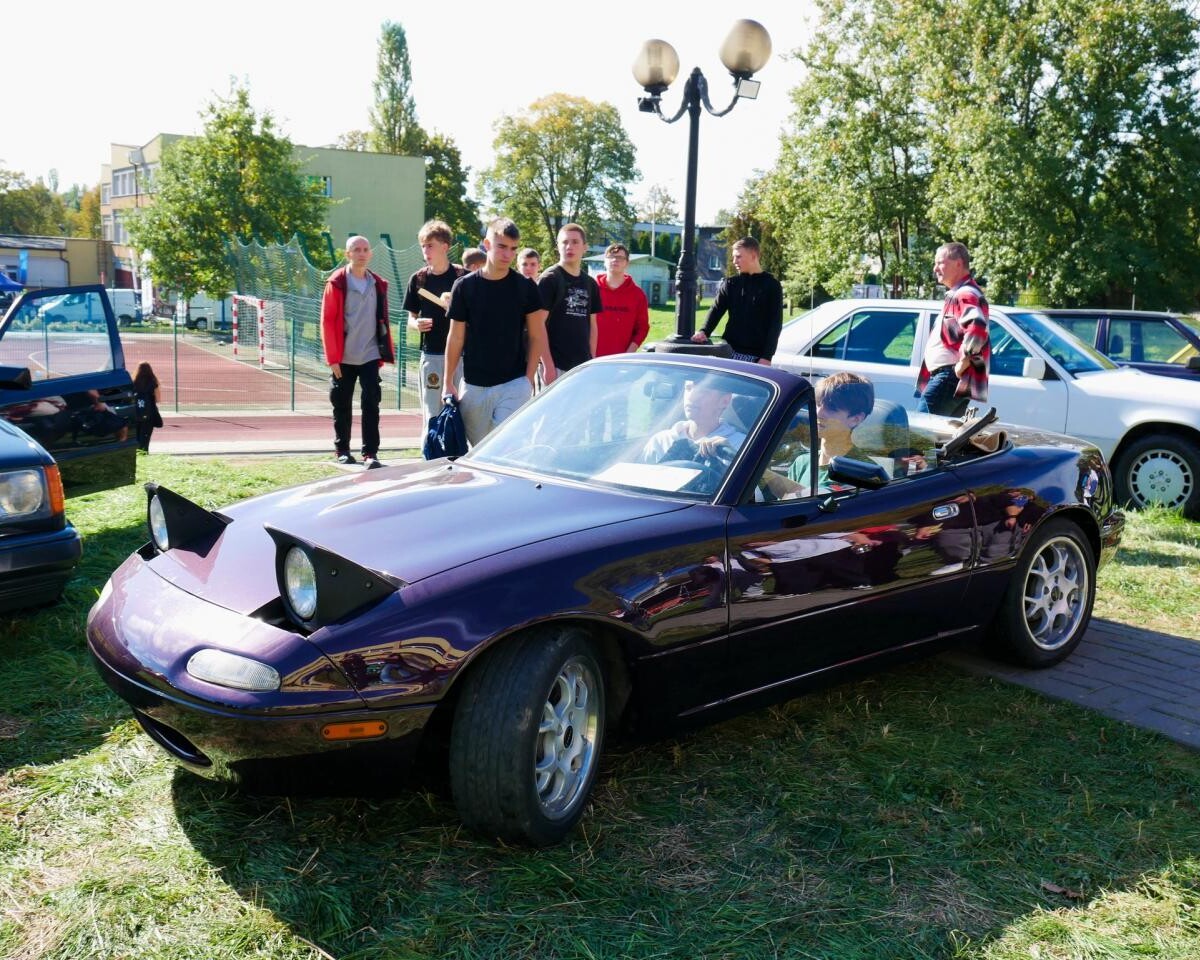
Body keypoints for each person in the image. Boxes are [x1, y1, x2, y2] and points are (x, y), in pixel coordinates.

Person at [443, 218, 549, 445]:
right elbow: (456, 337)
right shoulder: (464, 286)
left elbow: (537, 335)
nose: (507, 254)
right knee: (479, 448)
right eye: (502, 246)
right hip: (474, 384)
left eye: (513, 249)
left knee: (504, 446)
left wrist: (528, 380)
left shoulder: (526, 287)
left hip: (514, 383)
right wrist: (447, 381)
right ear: (487, 244)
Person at [320, 235, 396, 468]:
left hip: (370, 354)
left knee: (371, 403)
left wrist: (383, 351)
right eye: (356, 249)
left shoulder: (378, 284)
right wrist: (333, 358)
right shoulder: (337, 283)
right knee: (341, 404)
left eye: (365, 249)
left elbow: (382, 319)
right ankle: (342, 449)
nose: (361, 253)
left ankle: (370, 453)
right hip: (343, 357)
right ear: (348, 254)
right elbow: (327, 321)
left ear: (370, 254)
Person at [404, 220, 467, 429]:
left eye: (430, 245)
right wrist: (416, 324)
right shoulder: (418, 280)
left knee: (464, 412)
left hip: (461, 356)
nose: (426, 250)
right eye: (423, 245)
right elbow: (410, 319)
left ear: (445, 247)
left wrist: (455, 305)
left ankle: (460, 457)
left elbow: (477, 317)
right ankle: (431, 456)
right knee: (433, 413)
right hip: (431, 355)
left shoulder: (463, 277)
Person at [916, 241, 990, 417]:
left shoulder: (965, 294)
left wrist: (962, 365)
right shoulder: (961, 293)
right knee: (941, 440)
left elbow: (977, 328)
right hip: (949, 378)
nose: (935, 268)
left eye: (940, 262)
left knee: (920, 436)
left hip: (948, 377)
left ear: (958, 263)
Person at [690, 236, 783, 364]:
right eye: (733, 257)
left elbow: (775, 324)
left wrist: (767, 357)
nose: (734, 261)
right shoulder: (730, 284)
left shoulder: (772, 285)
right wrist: (704, 331)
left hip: (757, 357)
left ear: (753, 256)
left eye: (738, 257)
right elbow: (716, 310)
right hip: (728, 351)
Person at [787, 372, 875, 492]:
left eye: (831, 408)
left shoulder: (863, 471)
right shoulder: (801, 463)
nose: (818, 413)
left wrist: (770, 477)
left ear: (856, 419)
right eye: (818, 404)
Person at [537, 223, 602, 381]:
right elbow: (537, 326)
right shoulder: (549, 279)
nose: (569, 247)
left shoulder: (590, 283)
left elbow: (592, 325)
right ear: (557, 246)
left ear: (584, 247)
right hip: (555, 365)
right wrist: (548, 365)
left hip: (582, 366)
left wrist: (591, 359)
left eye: (574, 242)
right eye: (564, 242)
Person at [642, 376, 746, 465]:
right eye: (688, 388)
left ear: (724, 401)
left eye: (703, 391)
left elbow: (755, 487)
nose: (691, 397)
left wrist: (733, 458)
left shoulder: (740, 445)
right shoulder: (661, 441)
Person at [594, 243, 649, 357]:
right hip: (591, 359)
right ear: (604, 261)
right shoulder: (592, 290)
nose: (615, 260)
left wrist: (629, 354)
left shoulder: (637, 295)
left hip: (621, 360)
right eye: (611, 257)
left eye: (620, 257)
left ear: (627, 263)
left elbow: (642, 328)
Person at [132, 361, 162, 451]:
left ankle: (136, 453)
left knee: (136, 435)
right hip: (149, 413)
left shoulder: (133, 382)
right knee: (145, 436)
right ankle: (144, 453)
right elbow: (158, 399)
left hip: (136, 413)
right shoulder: (153, 382)